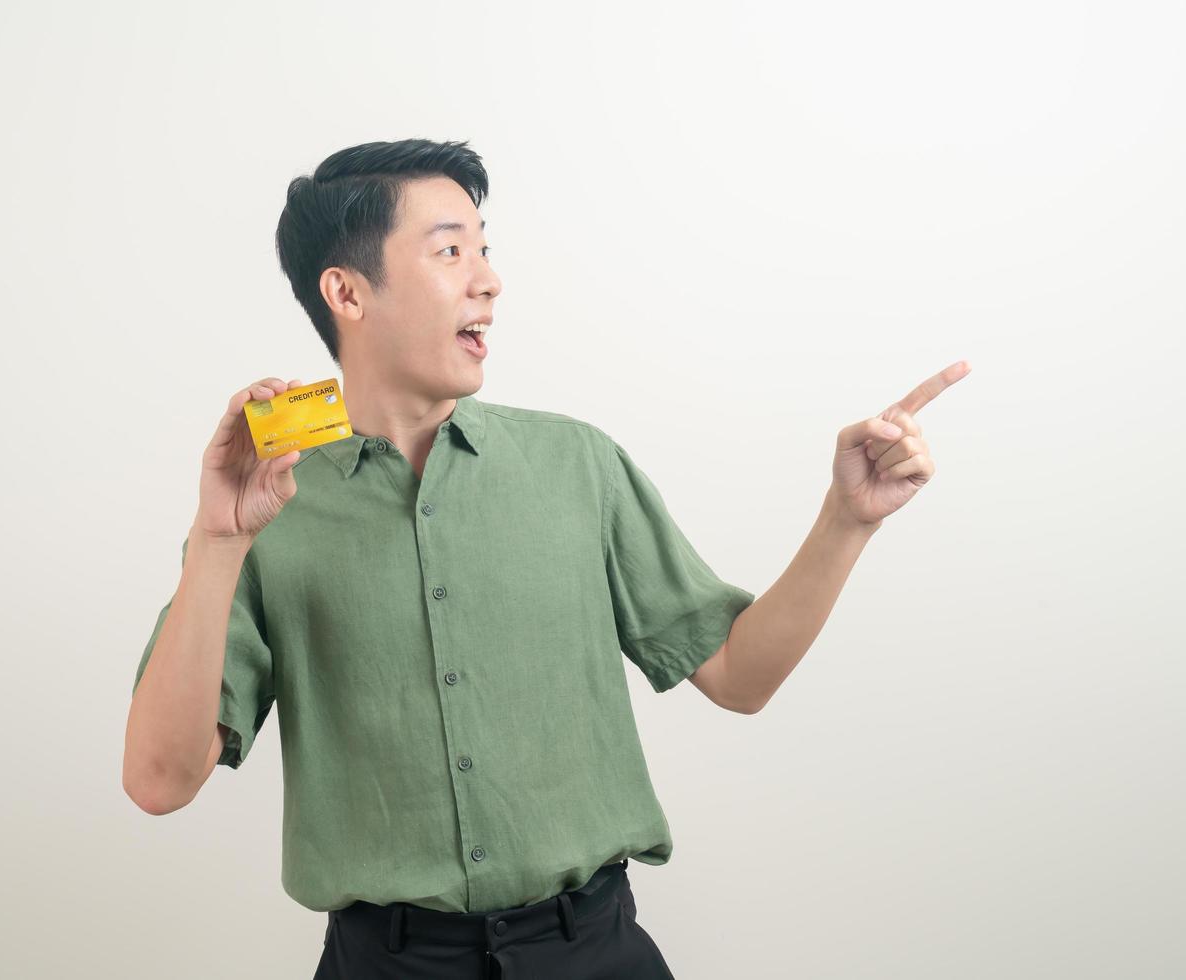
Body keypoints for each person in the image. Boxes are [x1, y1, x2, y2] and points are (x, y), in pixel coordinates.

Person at [122, 139, 968, 979]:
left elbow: (739, 678)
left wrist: (846, 520)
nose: (488, 280)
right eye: (450, 250)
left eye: (484, 250)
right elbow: (160, 781)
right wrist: (220, 542)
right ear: (346, 291)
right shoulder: (266, 511)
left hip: (596, 954)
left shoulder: (579, 465)